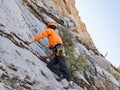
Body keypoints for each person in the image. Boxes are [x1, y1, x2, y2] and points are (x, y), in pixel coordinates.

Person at [26, 21, 74, 89]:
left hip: (59, 49)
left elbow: (41, 36)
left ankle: (71, 82)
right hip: (58, 50)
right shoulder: (55, 35)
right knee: (50, 64)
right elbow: (56, 50)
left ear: (49, 26)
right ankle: (60, 74)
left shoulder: (49, 30)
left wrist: (31, 42)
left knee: (63, 65)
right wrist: (47, 57)